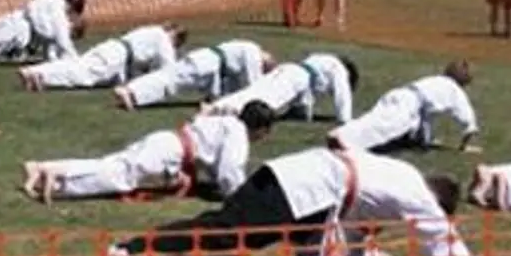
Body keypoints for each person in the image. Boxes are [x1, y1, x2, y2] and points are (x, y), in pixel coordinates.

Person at [104, 146, 511, 256]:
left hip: (302, 179)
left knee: (229, 248)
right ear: (437, 200)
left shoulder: (397, 174)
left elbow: (350, 221)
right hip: (300, 187)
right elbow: (439, 235)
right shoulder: (419, 198)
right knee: (225, 235)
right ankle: (133, 252)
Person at [22, 103, 276, 203]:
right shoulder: (238, 133)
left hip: (167, 140)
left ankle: (44, 166)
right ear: (261, 129)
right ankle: (57, 179)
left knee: (114, 165)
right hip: (171, 154)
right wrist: (241, 197)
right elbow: (229, 172)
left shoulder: (225, 120)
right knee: (118, 177)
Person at [326, 61, 482, 154]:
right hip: (409, 105)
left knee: (373, 120)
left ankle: (343, 135)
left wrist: (424, 141)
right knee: (382, 129)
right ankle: (346, 142)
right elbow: (469, 123)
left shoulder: (436, 80)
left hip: (399, 94)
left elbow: (425, 120)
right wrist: (464, 147)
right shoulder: (455, 91)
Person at [113, 40, 271, 110]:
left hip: (208, 66)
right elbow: (254, 86)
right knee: (171, 80)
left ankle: (132, 91)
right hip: (206, 64)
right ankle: (130, 91)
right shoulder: (253, 53)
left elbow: (239, 85)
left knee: (171, 79)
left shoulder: (248, 49)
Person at [20, 24, 184, 91]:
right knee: (82, 76)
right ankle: (40, 76)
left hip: (113, 48)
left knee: (78, 66)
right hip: (118, 57)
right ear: (175, 37)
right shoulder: (163, 38)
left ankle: (36, 70)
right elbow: (170, 69)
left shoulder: (152, 30)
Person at [205, 52, 358, 124]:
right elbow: (343, 97)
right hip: (294, 78)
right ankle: (224, 111)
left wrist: (303, 112)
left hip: (289, 71)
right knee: (265, 100)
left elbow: (307, 93)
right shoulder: (339, 69)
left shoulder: (324, 59)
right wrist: (346, 120)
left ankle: (216, 106)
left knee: (254, 91)